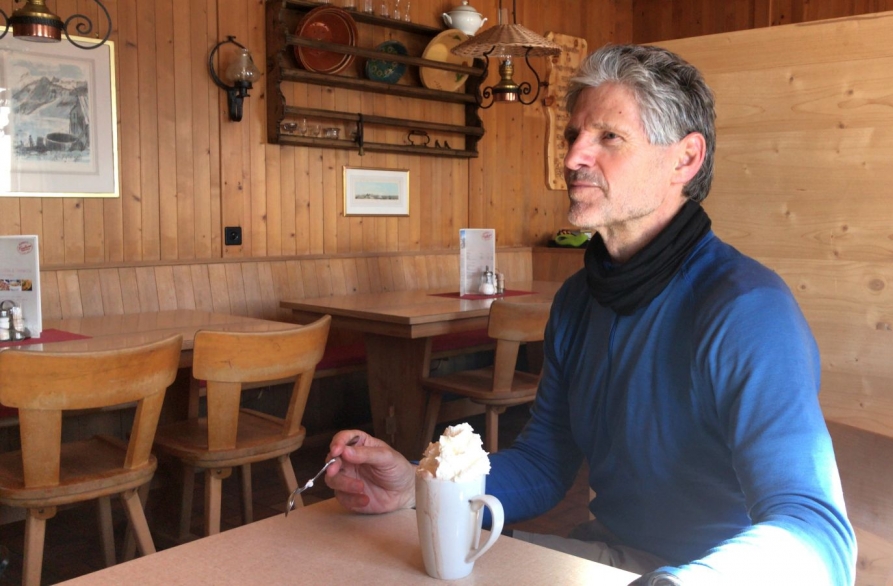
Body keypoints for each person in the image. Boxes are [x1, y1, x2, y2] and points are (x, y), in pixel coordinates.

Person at [324, 44, 856, 585]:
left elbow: (817, 536)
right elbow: (543, 464)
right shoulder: (579, 299)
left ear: (685, 159)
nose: (575, 156)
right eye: (572, 135)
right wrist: (418, 485)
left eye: (608, 137)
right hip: (607, 559)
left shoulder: (746, 309)